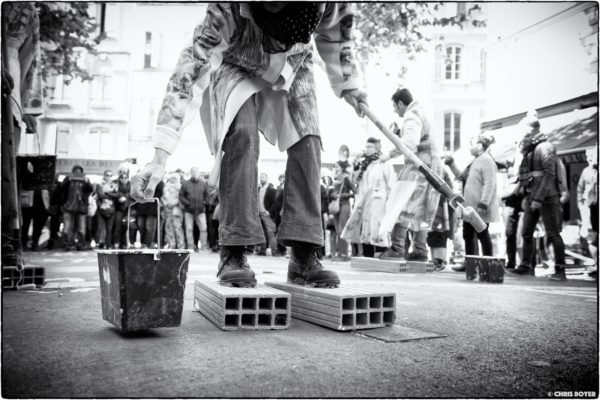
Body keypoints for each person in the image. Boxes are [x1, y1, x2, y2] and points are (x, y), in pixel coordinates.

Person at [131, 3, 367, 288]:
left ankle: (304, 253)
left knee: (308, 139)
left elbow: (338, 33)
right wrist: (159, 158)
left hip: (295, 60)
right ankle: (234, 250)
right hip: (236, 58)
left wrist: (350, 81)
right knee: (241, 135)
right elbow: (190, 70)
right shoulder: (226, 9)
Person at [379, 88, 442, 262]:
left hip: (419, 166)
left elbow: (410, 143)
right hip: (430, 167)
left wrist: (389, 155)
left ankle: (397, 248)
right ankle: (420, 250)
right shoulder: (422, 113)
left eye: (395, 106)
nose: (394, 110)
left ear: (400, 103)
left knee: (400, 203)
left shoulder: (411, 115)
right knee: (421, 209)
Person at [1, 2, 43, 267]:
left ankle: (6, 242)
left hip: (10, 102)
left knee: (5, 174)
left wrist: (28, 107)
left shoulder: (27, 7)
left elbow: (32, 56)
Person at [511, 113, 567, 280]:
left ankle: (560, 270)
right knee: (527, 233)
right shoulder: (530, 148)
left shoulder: (546, 147)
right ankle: (526, 266)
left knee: (553, 233)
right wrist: (524, 191)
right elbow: (529, 175)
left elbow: (549, 175)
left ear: (530, 129)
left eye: (523, 130)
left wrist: (538, 198)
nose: (521, 134)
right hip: (532, 196)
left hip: (547, 197)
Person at [446, 133, 498, 259]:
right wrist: (451, 164)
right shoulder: (475, 161)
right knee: (468, 235)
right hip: (470, 208)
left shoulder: (486, 160)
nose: (470, 148)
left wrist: (484, 202)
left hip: (479, 207)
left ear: (480, 146)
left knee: (482, 234)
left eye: (472, 145)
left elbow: (490, 183)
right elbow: (462, 177)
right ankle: (471, 263)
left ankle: (487, 261)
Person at [344, 137, 395, 258]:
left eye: (369, 147)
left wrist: (389, 202)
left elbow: (391, 183)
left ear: (377, 147)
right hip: (364, 201)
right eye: (365, 147)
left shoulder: (384, 162)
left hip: (379, 202)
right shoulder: (364, 164)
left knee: (378, 229)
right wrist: (356, 167)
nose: (366, 149)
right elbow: (354, 181)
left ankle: (380, 254)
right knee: (365, 230)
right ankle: (368, 256)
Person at [61, 165, 94, 251]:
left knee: (81, 227)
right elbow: (61, 188)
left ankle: (80, 244)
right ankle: (67, 244)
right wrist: (68, 181)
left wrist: (87, 182)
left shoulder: (85, 180)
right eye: (76, 171)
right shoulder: (68, 179)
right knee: (67, 227)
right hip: (68, 207)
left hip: (81, 207)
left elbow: (90, 190)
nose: (78, 173)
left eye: (79, 172)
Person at [328, 161, 355, 261]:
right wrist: (332, 195)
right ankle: (339, 253)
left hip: (345, 205)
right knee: (337, 230)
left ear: (342, 168)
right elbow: (331, 192)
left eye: (337, 167)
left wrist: (342, 195)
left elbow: (355, 192)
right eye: (335, 167)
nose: (336, 168)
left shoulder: (346, 178)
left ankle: (344, 254)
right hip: (336, 206)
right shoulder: (334, 179)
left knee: (341, 230)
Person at [179, 167, 209, 251]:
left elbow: (207, 195)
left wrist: (204, 203)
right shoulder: (185, 184)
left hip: (200, 210)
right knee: (189, 229)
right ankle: (190, 247)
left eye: (196, 172)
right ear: (191, 173)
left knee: (203, 229)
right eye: (193, 172)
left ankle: (203, 247)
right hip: (189, 210)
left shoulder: (203, 184)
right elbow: (181, 196)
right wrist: (187, 203)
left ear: (199, 173)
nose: (195, 173)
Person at [576, 148, 598, 258]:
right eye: (587, 156)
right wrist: (580, 204)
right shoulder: (586, 171)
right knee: (590, 235)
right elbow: (579, 189)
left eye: (592, 155)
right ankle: (596, 264)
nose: (589, 158)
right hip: (588, 206)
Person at [20, 185, 50, 251]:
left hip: (41, 204)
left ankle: (34, 243)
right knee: (25, 225)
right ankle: (24, 243)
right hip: (28, 201)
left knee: (37, 226)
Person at [256, 172, 280, 256]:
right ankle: (262, 250)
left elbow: (275, 203)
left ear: (267, 178)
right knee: (261, 233)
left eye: (263, 177)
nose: (261, 178)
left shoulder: (271, 190)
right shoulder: (258, 189)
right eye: (260, 177)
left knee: (271, 233)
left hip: (267, 214)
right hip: (258, 214)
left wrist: (269, 211)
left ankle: (275, 251)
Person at [135, 180, 164, 249]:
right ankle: (143, 243)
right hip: (141, 207)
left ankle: (148, 244)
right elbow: (136, 191)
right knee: (140, 226)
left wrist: (147, 195)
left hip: (152, 208)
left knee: (150, 228)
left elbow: (159, 192)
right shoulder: (141, 179)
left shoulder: (158, 180)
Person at [112, 164, 135, 249]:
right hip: (118, 208)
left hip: (128, 208)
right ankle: (116, 243)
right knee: (118, 227)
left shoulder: (131, 184)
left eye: (125, 174)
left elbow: (134, 197)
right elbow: (112, 193)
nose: (123, 177)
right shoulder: (115, 183)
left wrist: (127, 200)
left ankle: (125, 243)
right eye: (121, 173)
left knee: (127, 226)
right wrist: (118, 197)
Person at [162, 172, 186, 249]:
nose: (172, 180)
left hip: (177, 209)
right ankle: (171, 244)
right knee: (169, 227)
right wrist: (166, 203)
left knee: (178, 227)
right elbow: (163, 197)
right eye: (171, 178)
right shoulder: (165, 187)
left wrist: (175, 203)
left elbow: (181, 197)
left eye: (174, 178)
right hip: (167, 209)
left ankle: (181, 245)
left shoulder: (180, 187)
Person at [96, 170, 119, 249]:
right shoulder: (99, 184)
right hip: (101, 209)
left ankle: (108, 245)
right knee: (101, 227)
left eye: (110, 175)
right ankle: (101, 243)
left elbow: (117, 195)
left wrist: (107, 193)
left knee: (109, 228)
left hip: (111, 209)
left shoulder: (114, 185)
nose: (108, 177)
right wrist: (111, 195)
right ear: (104, 175)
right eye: (107, 175)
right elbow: (100, 195)